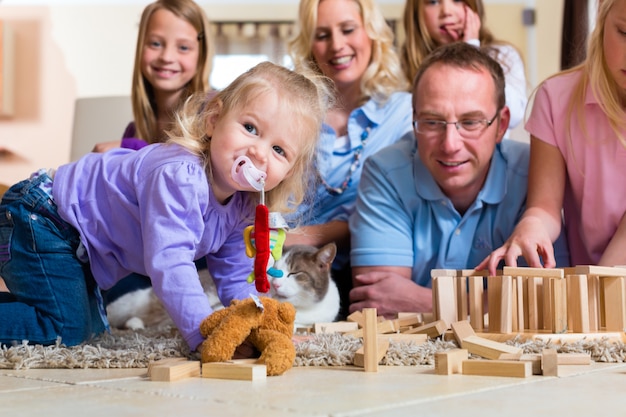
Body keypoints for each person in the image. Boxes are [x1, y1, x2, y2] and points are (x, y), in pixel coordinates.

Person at [0, 62, 332, 350]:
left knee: (91, 329)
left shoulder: (242, 205)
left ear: (290, 170)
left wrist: (264, 329)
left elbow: (234, 278)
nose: (259, 152)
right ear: (214, 120)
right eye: (250, 128)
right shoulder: (181, 177)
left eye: (279, 150)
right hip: (43, 217)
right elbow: (170, 264)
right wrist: (204, 334)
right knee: (65, 329)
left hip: (72, 241)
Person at [348, 42, 568, 317]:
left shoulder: (534, 174)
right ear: (414, 119)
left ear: (501, 125)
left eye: (470, 122)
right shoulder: (385, 172)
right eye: (432, 122)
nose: (450, 144)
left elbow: (546, 305)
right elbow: (379, 305)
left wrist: (430, 305)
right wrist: (493, 306)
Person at [479, 0, 626, 274]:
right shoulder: (557, 100)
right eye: (625, 33)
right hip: (590, 293)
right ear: (602, 18)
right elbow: (544, 208)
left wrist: (594, 295)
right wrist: (531, 226)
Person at [286, 0, 413, 316]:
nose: (337, 45)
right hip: (279, 273)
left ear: (371, 33)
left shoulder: (404, 114)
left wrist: (303, 236)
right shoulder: (291, 113)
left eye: (348, 29)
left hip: (356, 274)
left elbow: (402, 207)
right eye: (322, 34)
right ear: (309, 44)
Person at [93, 0, 213, 152]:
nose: (167, 57)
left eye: (183, 47)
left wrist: (132, 148)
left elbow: (185, 168)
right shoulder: (134, 130)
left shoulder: (212, 117)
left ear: (201, 57)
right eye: (156, 44)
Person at [400, 0, 527, 132]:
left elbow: (514, 115)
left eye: (457, 0)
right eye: (433, 2)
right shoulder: (403, 66)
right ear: (416, 14)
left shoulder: (504, 56)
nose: (446, 12)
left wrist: (470, 49)